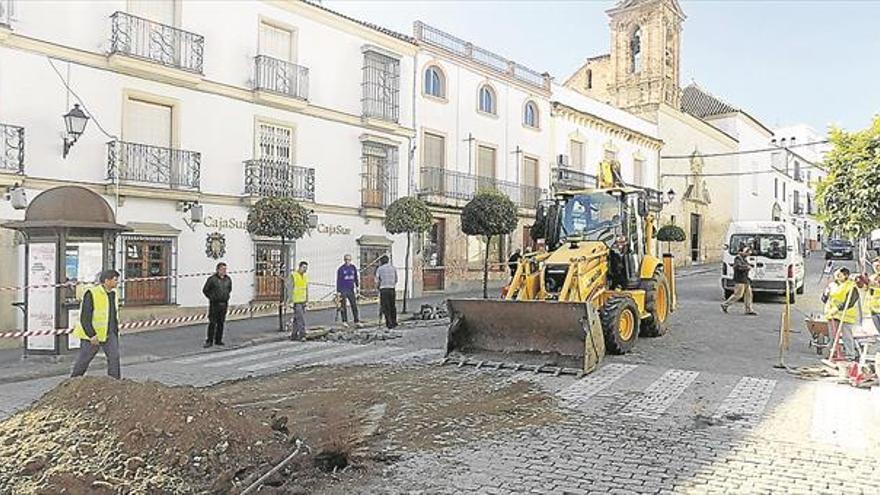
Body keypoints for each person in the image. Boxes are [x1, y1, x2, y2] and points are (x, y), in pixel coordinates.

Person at [71, 269, 122, 379]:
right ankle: (73, 381)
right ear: (107, 281)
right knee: (85, 359)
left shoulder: (114, 293)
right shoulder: (91, 293)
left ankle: (115, 383)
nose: (117, 282)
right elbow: (85, 317)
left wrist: (115, 331)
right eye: (115, 280)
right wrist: (91, 334)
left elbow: (112, 314)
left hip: (110, 333)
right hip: (93, 335)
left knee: (114, 358)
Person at [823, 267, 859, 359]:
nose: (837, 276)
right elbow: (824, 299)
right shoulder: (832, 285)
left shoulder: (851, 286)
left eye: (840, 275)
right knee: (833, 336)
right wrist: (825, 294)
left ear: (846, 276)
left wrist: (838, 308)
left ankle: (850, 354)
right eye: (836, 275)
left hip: (846, 315)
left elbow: (851, 301)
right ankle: (832, 353)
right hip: (832, 314)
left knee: (847, 336)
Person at [202, 262, 232, 348]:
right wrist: (212, 297)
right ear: (218, 270)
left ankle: (218, 340)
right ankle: (209, 340)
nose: (224, 271)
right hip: (215, 304)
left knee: (221, 323)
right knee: (212, 323)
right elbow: (205, 290)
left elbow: (229, 289)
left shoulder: (228, 279)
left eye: (225, 269)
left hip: (224, 303)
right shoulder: (212, 279)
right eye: (222, 269)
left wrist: (226, 296)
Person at [721, 245, 757, 315]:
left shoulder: (744, 258)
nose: (748, 254)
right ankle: (725, 304)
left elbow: (745, 265)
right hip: (740, 279)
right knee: (738, 295)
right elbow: (737, 267)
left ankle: (748, 309)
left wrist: (749, 265)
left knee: (749, 294)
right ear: (741, 252)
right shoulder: (738, 258)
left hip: (746, 279)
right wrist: (747, 267)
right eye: (747, 252)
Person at [336, 254, 361, 327]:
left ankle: (356, 321)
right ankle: (344, 321)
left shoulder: (353, 267)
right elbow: (338, 280)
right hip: (343, 289)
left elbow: (356, 277)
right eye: (346, 260)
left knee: (354, 305)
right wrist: (338, 291)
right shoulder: (341, 269)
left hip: (351, 289)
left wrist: (357, 287)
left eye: (349, 260)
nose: (348, 261)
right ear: (344, 260)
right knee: (343, 306)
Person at [376, 255, 398, 329]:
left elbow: (377, 280)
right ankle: (394, 321)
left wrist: (378, 287)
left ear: (381, 261)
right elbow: (396, 279)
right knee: (393, 306)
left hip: (384, 289)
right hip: (392, 288)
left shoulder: (379, 269)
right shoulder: (393, 268)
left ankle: (389, 323)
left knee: (386, 307)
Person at [289, 261, 309, 341]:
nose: (305, 270)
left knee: (297, 319)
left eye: (306, 268)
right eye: (304, 268)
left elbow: (306, 288)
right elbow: (289, 289)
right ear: (300, 267)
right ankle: (302, 335)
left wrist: (307, 300)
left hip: (303, 300)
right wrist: (289, 301)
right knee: (301, 318)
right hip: (296, 300)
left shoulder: (305, 276)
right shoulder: (293, 275)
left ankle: (293, 335)